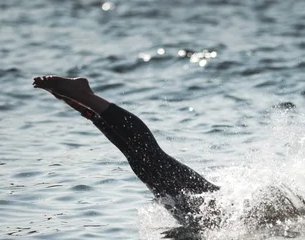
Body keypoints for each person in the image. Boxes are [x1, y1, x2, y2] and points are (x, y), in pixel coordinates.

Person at [32, 76, 219, 226]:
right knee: (149, 155)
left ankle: (87, 108)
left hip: (205, 217)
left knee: (141, 163)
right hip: (220, 207)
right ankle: (85, 97)